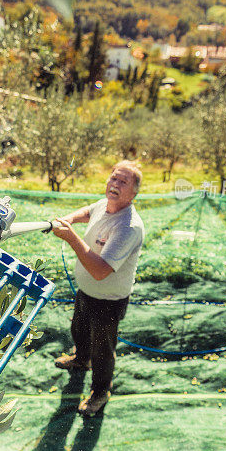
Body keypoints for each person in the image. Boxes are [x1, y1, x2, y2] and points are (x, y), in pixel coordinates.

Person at [52, 160, 145, 417]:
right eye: (113, 178)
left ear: (134, 192)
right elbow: (89, 211)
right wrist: (69, 219)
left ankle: (100, 392)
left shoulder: (128, 226)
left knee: (103, 349)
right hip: (86, 291)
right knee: (79, 329)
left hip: (108, 299)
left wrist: (71, 236)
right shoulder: (105, 205)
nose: (114, 184)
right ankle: (81, 360)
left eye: (123, 182)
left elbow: (101, 270)